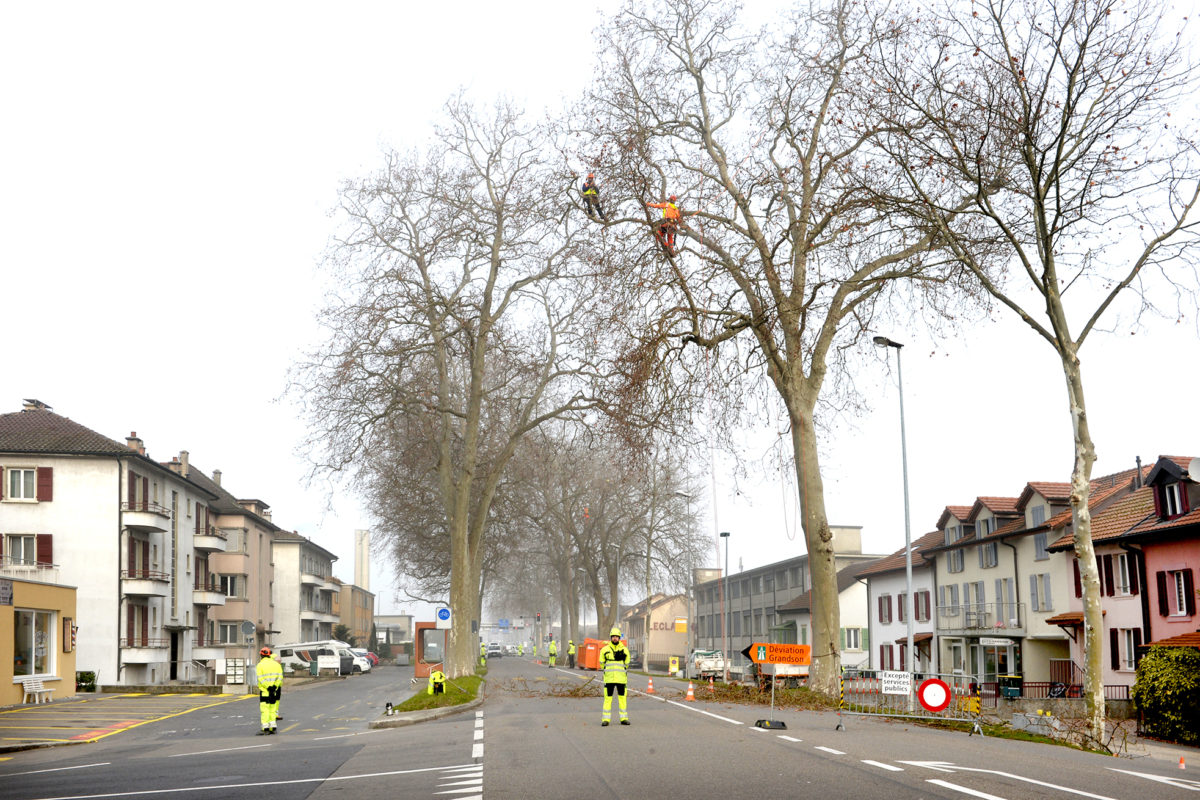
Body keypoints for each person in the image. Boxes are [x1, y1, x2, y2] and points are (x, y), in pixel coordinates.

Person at [599, 627, 630, 726]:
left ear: (619, 638)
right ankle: (606, 720)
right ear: (611, 638)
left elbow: (627, 663)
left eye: (617, 637)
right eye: (613, 637)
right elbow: (601, 663)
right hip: (609, 679)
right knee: (608, 699)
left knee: (622, 699)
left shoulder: (624, 650)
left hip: (621, 679)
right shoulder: (605, 649)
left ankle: (624, 718)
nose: (615, 638)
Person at [255, 647, 283, 735]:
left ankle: (265, 728)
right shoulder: (277, 665)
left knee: (265, 710)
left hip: (265, 691)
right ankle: (273, 727)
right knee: (272, 709)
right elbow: (280, 677)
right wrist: (274, 687)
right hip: (274, 691)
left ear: (261, 655)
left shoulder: (260, 665)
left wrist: (268, 687)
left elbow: (261, 679)